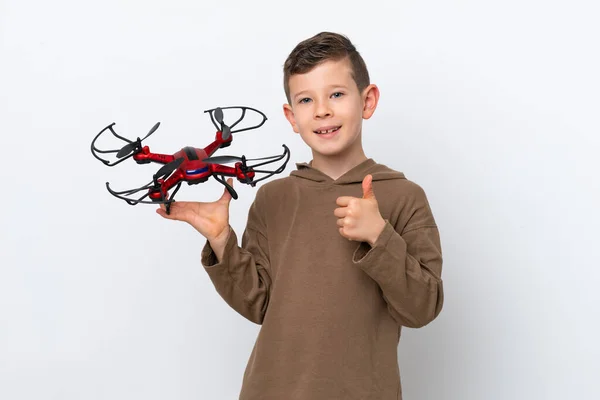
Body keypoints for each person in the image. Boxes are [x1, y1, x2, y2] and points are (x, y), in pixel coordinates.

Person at [157, 31, 444, 400]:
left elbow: (422, 308)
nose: (322, 110)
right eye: (306, 99)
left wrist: (379, 237)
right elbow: (258, 303)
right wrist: (221, 240)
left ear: (367, 101)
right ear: (292, 116)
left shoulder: (404, 197)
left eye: (337, 94)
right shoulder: (273, 198)